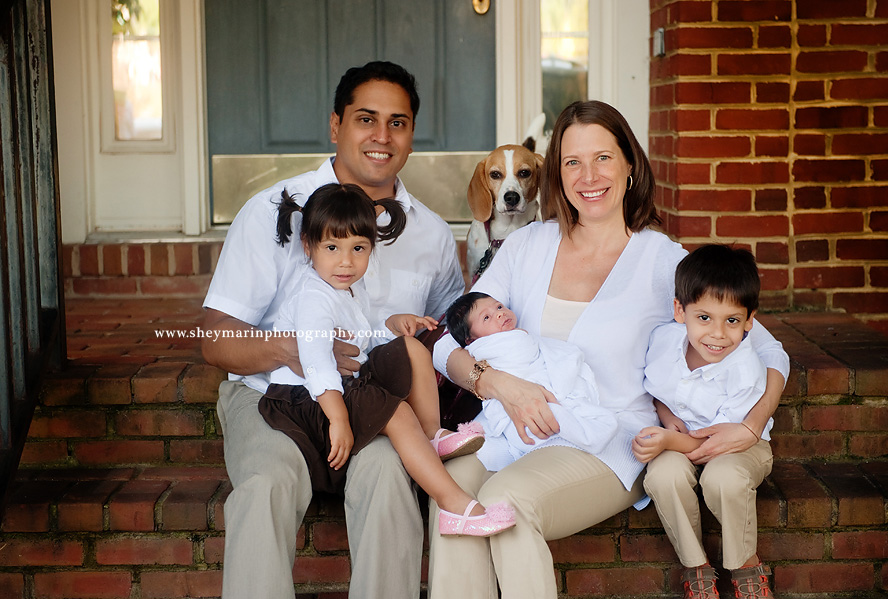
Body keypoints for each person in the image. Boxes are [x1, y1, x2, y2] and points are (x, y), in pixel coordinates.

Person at [427, 100, 790, 599]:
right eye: (572, 161)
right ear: (557, 172)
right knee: (449, 490)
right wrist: (496, 384)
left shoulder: (661, 260)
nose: (588, 175)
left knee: (506, 501)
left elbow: (769, 349)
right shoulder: (526, 245)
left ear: (629, 164)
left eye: (603, 158)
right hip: (515, 430)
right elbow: (446, 342)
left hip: (611, 438)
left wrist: (751, 424)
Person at [201, 61, 465, 599]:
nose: (381, 136)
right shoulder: (277, 211)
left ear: (412, 134)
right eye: (366, 118)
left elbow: (446, 336)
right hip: (272, 395)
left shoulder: (433, 234)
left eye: (398, 122)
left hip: (379, 407)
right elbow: (214, 335)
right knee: (264, 487)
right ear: (335, 125)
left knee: (392, 478)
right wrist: (292, 350)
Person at [259, 183, 514, 537]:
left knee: (411, 347)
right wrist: (337, 418)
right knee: (394, 408)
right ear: (308, 246)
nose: (346, 261)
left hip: (340, 384)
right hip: (307, 401)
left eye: (358, 248)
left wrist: (391, 327)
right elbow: (316, 363)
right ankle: (454, 506)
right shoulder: (313, 298)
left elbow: (357, 341)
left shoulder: (344, 286)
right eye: (332, 247)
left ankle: (432, 434)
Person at [633, 244, 776, 599]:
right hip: (680, 439)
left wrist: (667, 441)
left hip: (739, 445)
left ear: (750, 320)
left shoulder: (745, 370)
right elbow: (656, 391)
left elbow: (714, 444)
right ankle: (696, 567)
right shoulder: (664, 342)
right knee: (664, 474)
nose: (717, 334)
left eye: (731, 321)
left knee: (723, 478)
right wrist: (666, 417)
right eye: (704, 318)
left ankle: (745, 564)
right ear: (680, 311)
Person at [445, 291, 617, 471]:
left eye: (499, 306)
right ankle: (588, 436)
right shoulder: (484, 348)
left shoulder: (519, 336)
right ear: (471, 340)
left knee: (554, 412)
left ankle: (580, 436)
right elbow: (520, 356)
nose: (500, 313)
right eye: (487, 317)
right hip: (518, 405)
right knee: (549, 415)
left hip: (536, 390)